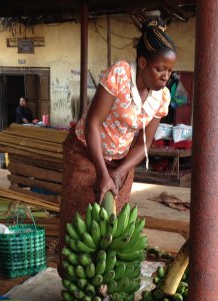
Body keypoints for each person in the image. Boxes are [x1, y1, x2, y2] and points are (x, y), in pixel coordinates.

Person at [58, 18, 176, 271]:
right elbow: (92, 124)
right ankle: (71, 276)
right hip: (85, 153)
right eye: (160, 69)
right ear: (143, 63)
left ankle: (102, 283)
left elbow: (145, 142)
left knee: (111, 224)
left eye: (170, 71)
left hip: (122, 161)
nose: (166, 76)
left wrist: (120, 171)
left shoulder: (162, 97)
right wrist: (103, 173)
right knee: (79, 220)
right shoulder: (120, 75)